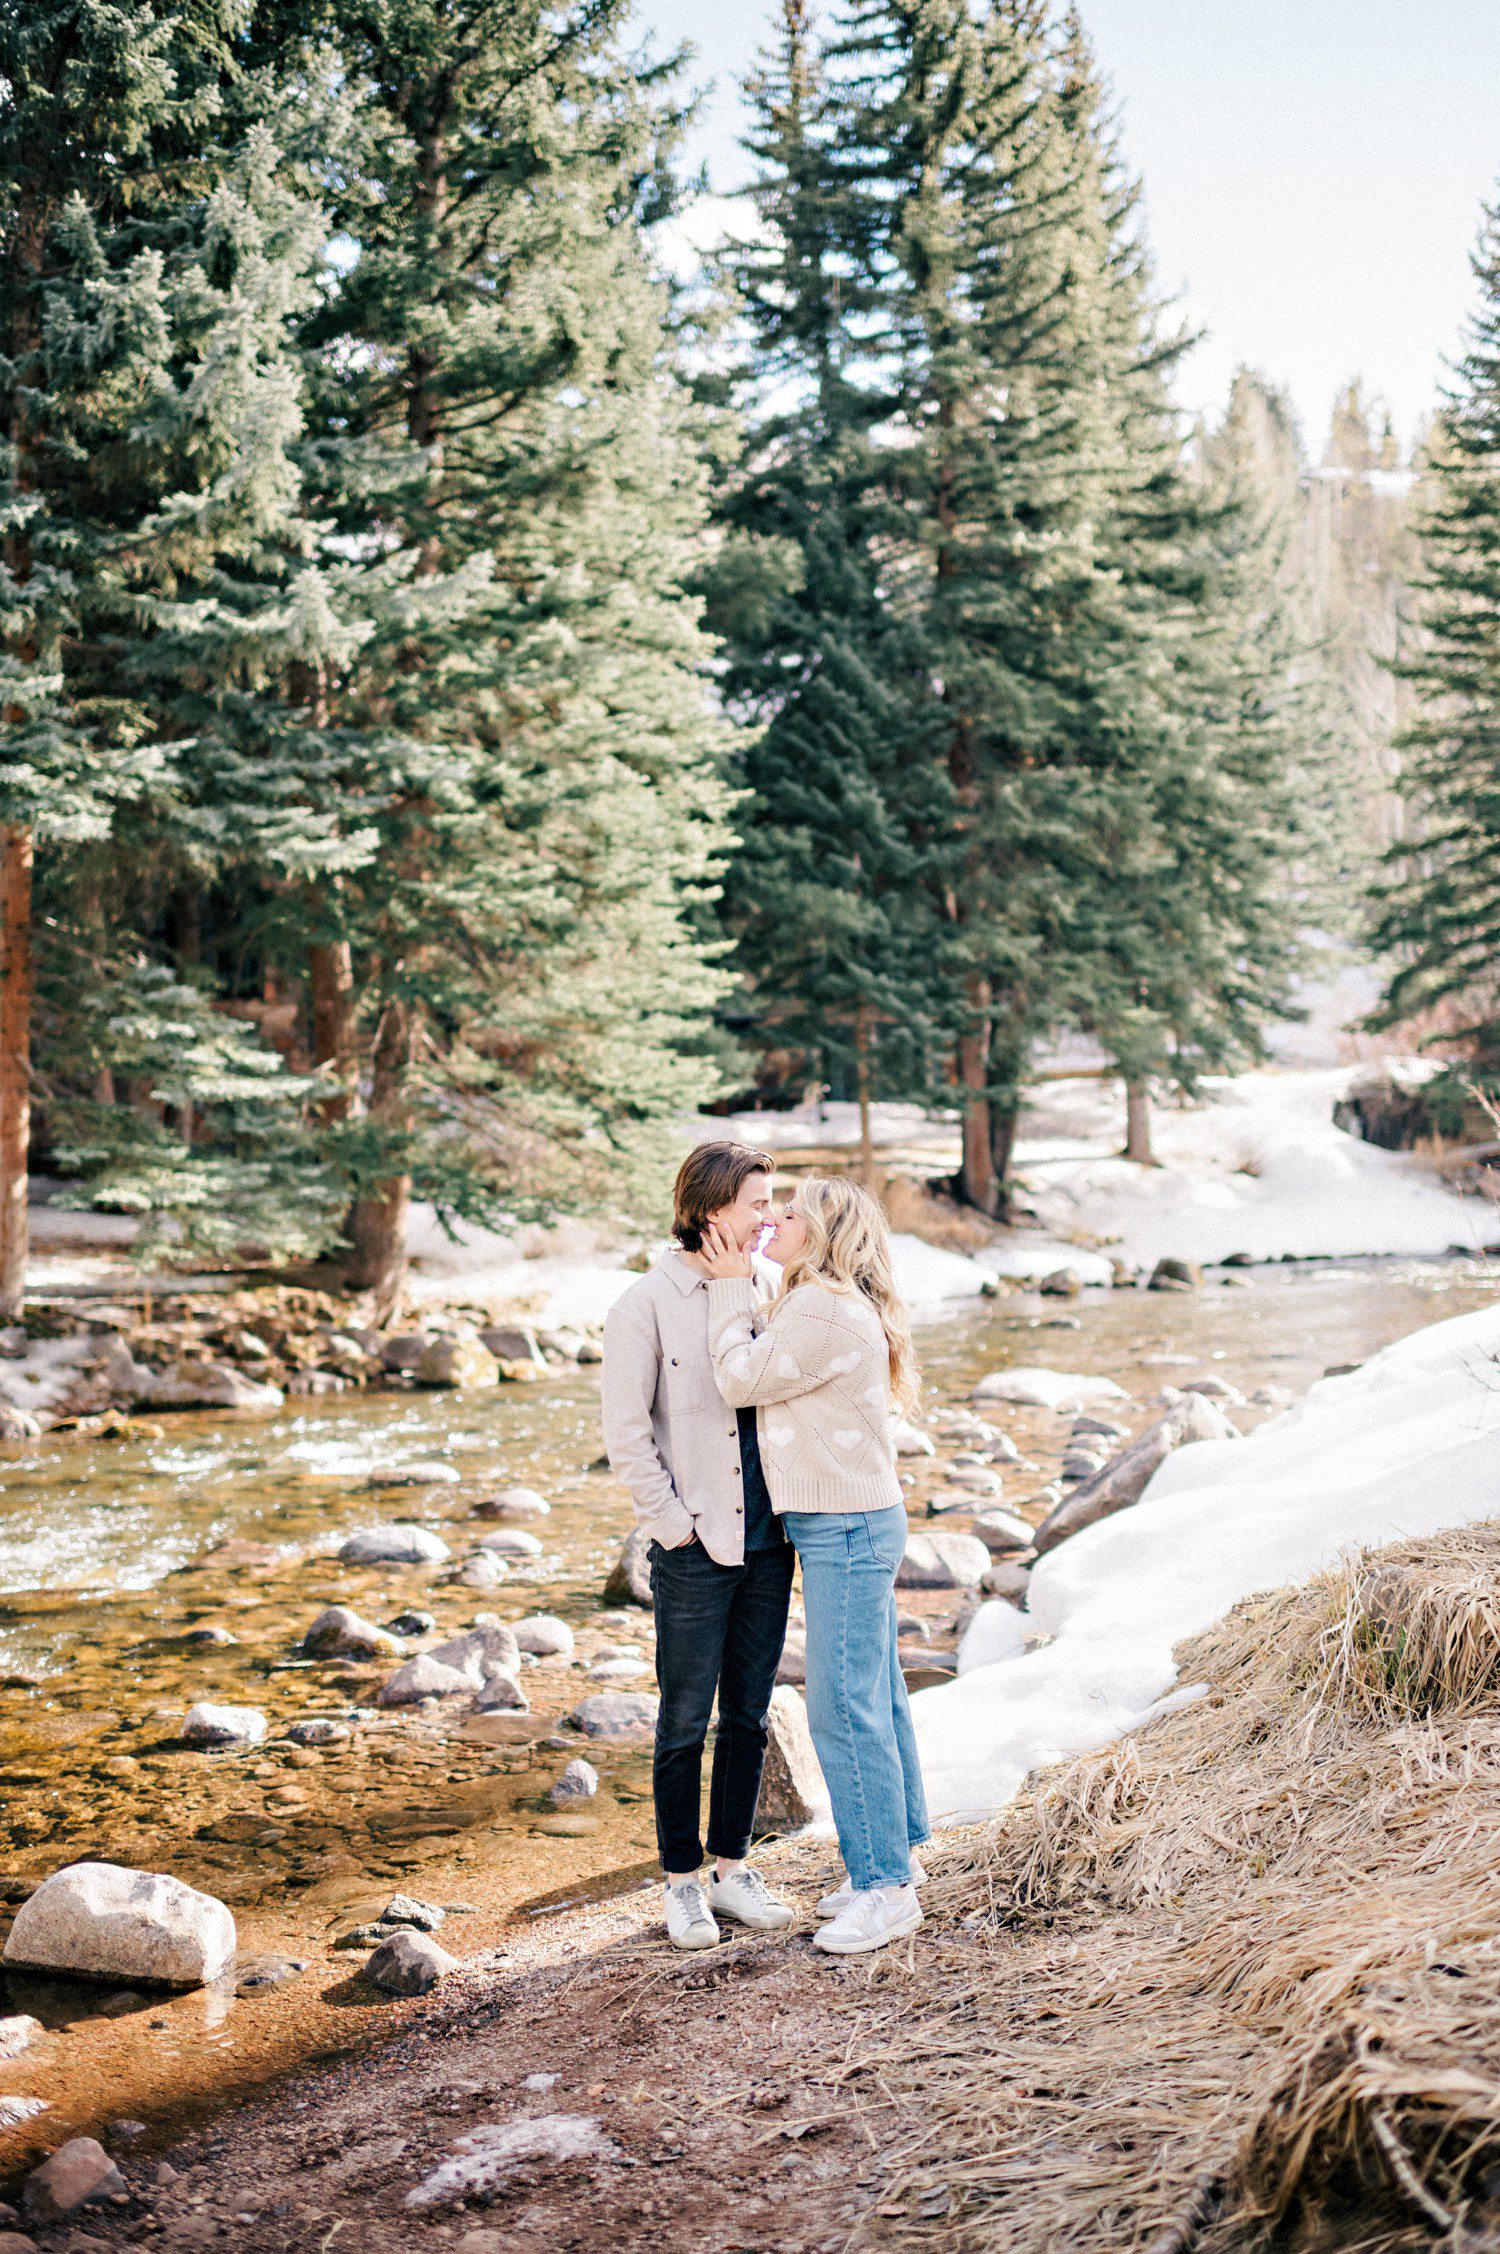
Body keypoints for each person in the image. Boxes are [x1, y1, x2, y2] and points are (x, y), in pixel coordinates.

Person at [701, 1175, 930, 1956]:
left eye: (789, 1214)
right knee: (878, 1692)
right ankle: (897, 1855)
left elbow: (739, 1376)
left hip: (847, 1527)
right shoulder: (818, 1298)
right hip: (853, 1520)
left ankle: (885, 1889)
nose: (774, 1220)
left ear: (824, 1233)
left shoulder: (822, 1307)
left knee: (841, 1704)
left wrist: (732, 1288)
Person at [601, 1141, 797, 1951]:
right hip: (692, 1547)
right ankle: (681, 1884)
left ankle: (732, 1869)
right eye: (757, 1202)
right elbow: (625, 1436)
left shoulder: (774, 1288)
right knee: (683, 1722)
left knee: (749, 1716)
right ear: (711, 1207)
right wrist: (674, 1526)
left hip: (771, 1538)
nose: (769, 1218)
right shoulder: (641, 1304)